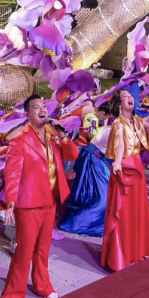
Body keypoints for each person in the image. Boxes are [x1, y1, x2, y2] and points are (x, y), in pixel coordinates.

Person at [0, 96, 77, 298]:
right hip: (29, 203)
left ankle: (42, 285)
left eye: (44, 106)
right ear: (27, 114)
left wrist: (64, 137)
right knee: (24, 252)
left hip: (50, 200)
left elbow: (73, 154)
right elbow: (12, 171)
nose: (42, 110)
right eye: (36, 107)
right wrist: (11, 199)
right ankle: (11, 297)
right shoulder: (20, 140)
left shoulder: (53, 135)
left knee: (43, 249)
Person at [102, 89, 149, 271]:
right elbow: (119, 146)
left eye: (130, 96)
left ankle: (135, 251)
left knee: (137, 211)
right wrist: (117, 163)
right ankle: (120, 256)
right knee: (123, 213)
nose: (130, 98)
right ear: (119, 104)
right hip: (124, 169)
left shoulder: (138, 121)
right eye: (125, 96)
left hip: (137, 167)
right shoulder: (118, 124)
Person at [56, 99, 110, 236]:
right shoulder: (91, 117)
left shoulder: (93, 115)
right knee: (73, 178)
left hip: (87, 152)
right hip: (81, 150)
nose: (105, 119)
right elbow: (93, 135)